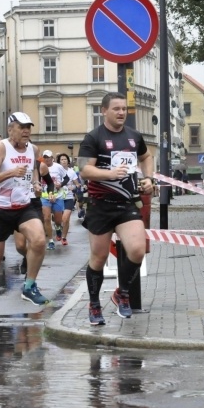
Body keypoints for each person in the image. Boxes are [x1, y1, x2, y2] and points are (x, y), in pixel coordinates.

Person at [78, 92, 155, 324]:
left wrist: (148, 178)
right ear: (104, 111)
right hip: (100, 206)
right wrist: (110, 174)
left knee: (137, 250)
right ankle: (93, 305)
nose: (121, 113)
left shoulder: (133, 136)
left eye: (124, 109)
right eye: (116, 109)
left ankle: (122, 294)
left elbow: (146, 156)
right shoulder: (93, 137)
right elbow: (84, 169)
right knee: (99, 258)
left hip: (126, 204)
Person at [0, 112, 49, 326]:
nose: (26, 131)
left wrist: (35, 183)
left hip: (24, 206)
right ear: (10, 129)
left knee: (39, 240)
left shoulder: (33, 149)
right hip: (0, 209)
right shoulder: (2, 147)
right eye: (22, 127)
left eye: (29, 127)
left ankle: (29, 286)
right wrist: (11, 173)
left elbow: (33, 172)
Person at [40, 149, 67, 250]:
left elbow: (67, 178)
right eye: (45, 157)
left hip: (57, 196)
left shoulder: (58, 167)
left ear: (52, 158)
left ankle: (58, 227)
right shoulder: (40, 167)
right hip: (45, 196)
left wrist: (61, 184)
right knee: (46, 218)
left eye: (48, 157)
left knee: (58, 220)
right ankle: (51, 241)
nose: (47, 159)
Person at [58, 153, 80, 244]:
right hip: (58, 197)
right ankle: (58, 228)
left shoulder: (72, 172)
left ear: (68, 161)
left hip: (69, 197)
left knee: (65, 218)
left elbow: (78, 184)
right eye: (61, 159)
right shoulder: (56, 171)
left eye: (65, 159)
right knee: (58, 219)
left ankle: (64, 238)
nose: (63, 161)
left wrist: (74, 187)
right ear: (59, 162)